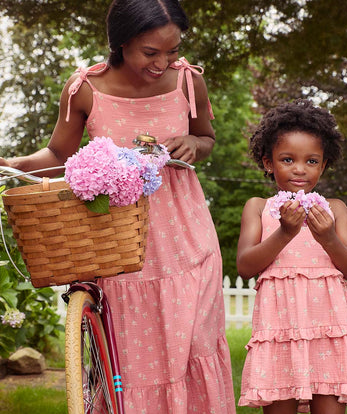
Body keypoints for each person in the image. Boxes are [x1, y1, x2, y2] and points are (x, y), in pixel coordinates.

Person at [0, 0, 235, 412]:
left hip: (186, 236)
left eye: (173, 50)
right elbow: (58, 152)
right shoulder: (85, 89)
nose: (164, 62)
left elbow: (207, 137)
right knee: (133, 356)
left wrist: (196, 144)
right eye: (151, 52)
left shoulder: (188, 82)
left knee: (193, 343)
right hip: (119, 242)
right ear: (121, 42)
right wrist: (18, 164)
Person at [236, 100, 347, 414]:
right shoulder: (258, 207)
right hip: (280, 333)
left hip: (328, 333)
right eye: (288, 159)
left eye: (311, 161)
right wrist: (284, 232)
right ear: (268, 163)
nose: (300, 169)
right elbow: (245, 266)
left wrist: (327, 237)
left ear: (323, 165)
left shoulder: (335, 209)